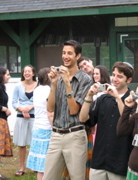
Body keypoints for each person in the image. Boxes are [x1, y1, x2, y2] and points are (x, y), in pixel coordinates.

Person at [43, 40, 93, 180]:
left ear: (77, 56)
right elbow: (50, 108)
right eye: (64, 53)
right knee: (49, 177)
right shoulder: (57, 78)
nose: (65, 56)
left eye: (69, 53)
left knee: (77, 177)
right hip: (56, 135)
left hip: (75, 135)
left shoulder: (86, 79)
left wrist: (67, 83)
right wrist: (53, 84)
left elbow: (74, 110)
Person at [79, 61, 135, 180]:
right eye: (114, 75)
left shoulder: (133, 99)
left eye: (120, 76)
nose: (115, 79)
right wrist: (88, 96)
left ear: (129, 80)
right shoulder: (103, 98)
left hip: (120, 162)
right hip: (99, 160)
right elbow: (83, 118)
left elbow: (129, 123)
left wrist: (117, 98)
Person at [26, 67, 53, 180]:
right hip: (47, 127)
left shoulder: (36, 90)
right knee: (47, 163)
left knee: (40, 165)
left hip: (37, 126)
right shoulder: (48, 90)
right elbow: (49, 111)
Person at [12, 65, 38, 176]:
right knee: (21, 143)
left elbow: (42, 100)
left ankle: (35, 166)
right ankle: (22, 167)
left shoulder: (38, 86)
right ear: (23, 74)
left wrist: (31, 107)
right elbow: (14, 102)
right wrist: (22, 109)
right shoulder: (18, 86)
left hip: (34, 117)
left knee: (35, 142)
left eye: (29, 71)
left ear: (33, 74)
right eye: (25, 71)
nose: (27, 73)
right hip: (21, 117)